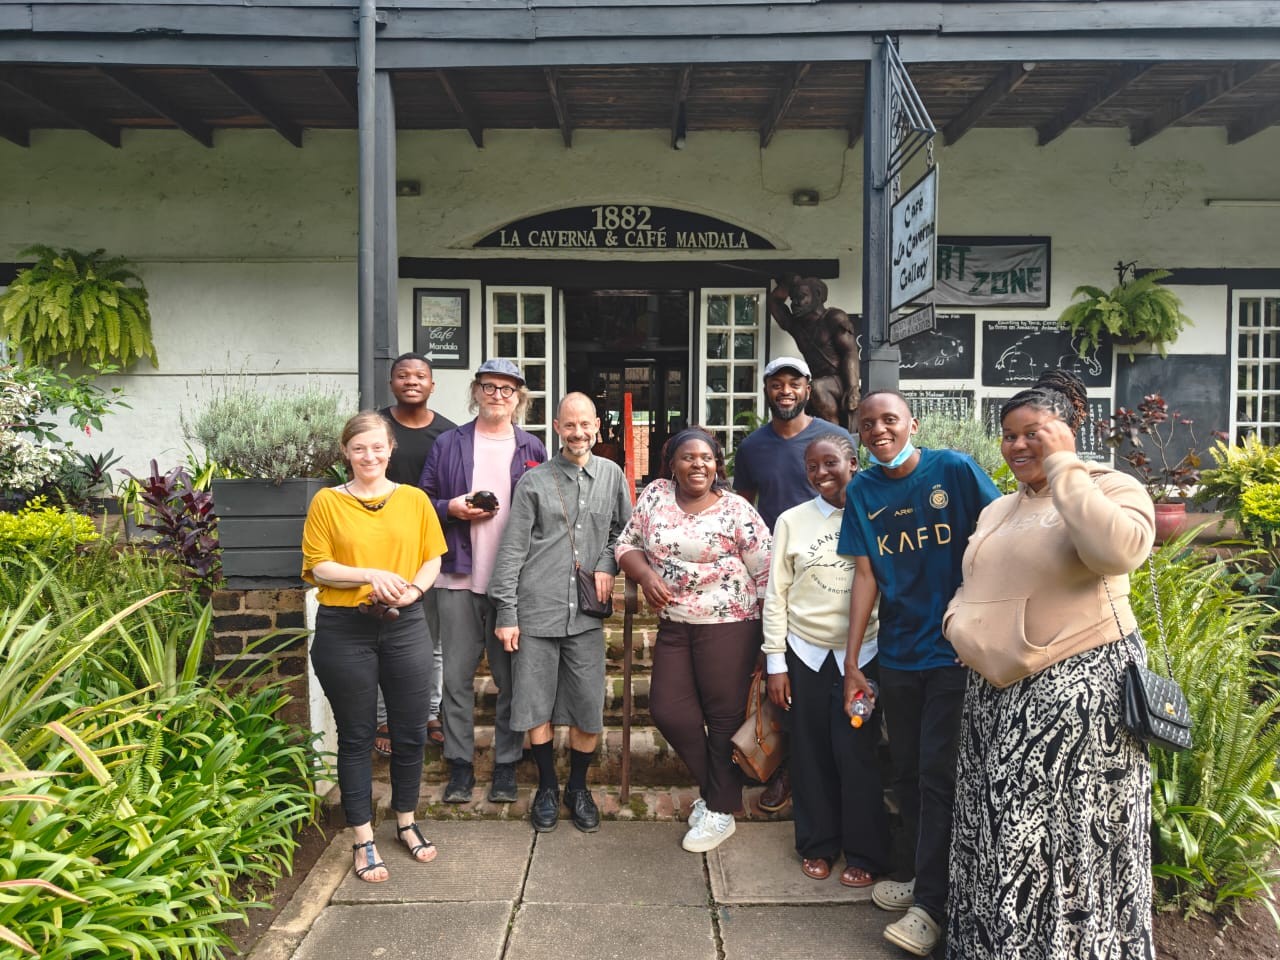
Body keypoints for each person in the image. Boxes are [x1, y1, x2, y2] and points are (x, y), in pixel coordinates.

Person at [942, 370, 1155, 960]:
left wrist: (1066, 470)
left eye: (1032, 433)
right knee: (998, 830)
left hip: (1076, 696)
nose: (1016, 447)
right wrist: (956, 622)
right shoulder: (1000, 508)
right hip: (995, 698)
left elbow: (1117, 551)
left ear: (1067, 430)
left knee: (1066, 839)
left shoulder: (1111, 486)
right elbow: (974, 578)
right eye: (1008, 436)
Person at [837, 391, 1000, 957]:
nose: (879, 430)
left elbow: (1000, 542)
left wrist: (979, 626)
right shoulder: (861, 490)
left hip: (952, 655)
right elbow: (865, 577)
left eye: (889, 420)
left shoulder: (952, 470)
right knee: (904, 772)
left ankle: (932, 906)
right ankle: (923, 876)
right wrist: (854, 662)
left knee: (938, 775)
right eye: (867, 424)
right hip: (899, 654)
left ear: (912, 423)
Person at [301, 411, 447, 883]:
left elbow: (432, 558)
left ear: (390, 450)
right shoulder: (327, 502)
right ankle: (363, 836)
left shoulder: (414, 500)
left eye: (377, 447)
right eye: (359, 448)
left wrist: (414, 593)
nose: (369, 456)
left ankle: (405, 821)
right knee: (358, 735)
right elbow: (319, 567)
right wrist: (372, 575)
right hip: (345, 628)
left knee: (411, 732)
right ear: (346, 452)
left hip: (404, 625)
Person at [616, 428, 771, 853]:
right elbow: (626, 544)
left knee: (722, 717)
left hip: (730, 623)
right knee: (668, 709)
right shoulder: (655, 497)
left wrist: (766, 638)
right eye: (688, 457)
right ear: (672, 464)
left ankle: (719, 810)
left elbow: (767, 571)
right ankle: (719, 792)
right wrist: (645, 575)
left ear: (718, 464)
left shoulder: (737, 510)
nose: (697, 464)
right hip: (675, 622)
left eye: (706, 457)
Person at [489, 393, 632, 833]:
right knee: (535, 705)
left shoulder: (612, 476)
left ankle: (578, 786)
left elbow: (625, 534)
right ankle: (548, 786)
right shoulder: (534, 482)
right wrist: (506, 613)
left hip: (586, 616)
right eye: (569, 425)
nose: (578, 433)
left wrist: (607, 564)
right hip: (537, 610)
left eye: (585, 425)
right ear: (556, 428)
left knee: (589, 707)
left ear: (597, 427)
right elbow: (512, 551)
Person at [762, 433, 890, 885]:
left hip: (866, 654)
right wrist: (776, 661)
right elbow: (776, 594)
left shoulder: (876, 513)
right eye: (812, 467)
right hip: (807, 654)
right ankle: (817, 844)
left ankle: (865, 852)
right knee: (810, 752)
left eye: (830, 463)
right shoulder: (792, 521)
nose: (820, 474)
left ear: (853, 463)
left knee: (857, 752)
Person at [419, 358, 548, 805]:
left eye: (507, 389)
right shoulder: (449, 443)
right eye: (489, 387)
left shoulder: (532, 447)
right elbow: (422, 502)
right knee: (455, 679)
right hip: (457, 577)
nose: (497, 395)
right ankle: (459, 765)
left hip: (512, 587)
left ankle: (507, 765)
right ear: (476, 391)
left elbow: (546, 515)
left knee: (511, 681)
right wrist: (452, 508)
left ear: (519, 398)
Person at [733, 355, 856, 812]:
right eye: (776, 383)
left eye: (794, 383)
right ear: (766, 390)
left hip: (835, 571)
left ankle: (832, 775)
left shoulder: (835, 438)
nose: (785, 391)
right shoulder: (752, 448)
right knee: (779, 678)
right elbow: (743, 506)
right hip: (775, 572)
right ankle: (784, 766)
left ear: (807, 388)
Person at [371, 352, 458, 755]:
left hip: (429, 546)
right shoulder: (375, 427)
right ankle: (386, 717)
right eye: (402, 375)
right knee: (383, 635)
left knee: (431, 638)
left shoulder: (448, 434)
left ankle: (429, 712)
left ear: (432, 384)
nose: (411, 381)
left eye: (420, 375)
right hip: (379, 545)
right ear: (392, 383)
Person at [767, 276, 861, 432]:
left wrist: (852, 389)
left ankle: (836, 437)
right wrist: (788, 282)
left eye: (801, 297)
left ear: (817, 295)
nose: (795, 303)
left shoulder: (834, 318)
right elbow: (774, 302)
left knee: (816, 388)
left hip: (838, 380)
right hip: (817, 381)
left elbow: (849, 352)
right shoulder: (797, 326)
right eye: (792, 298)